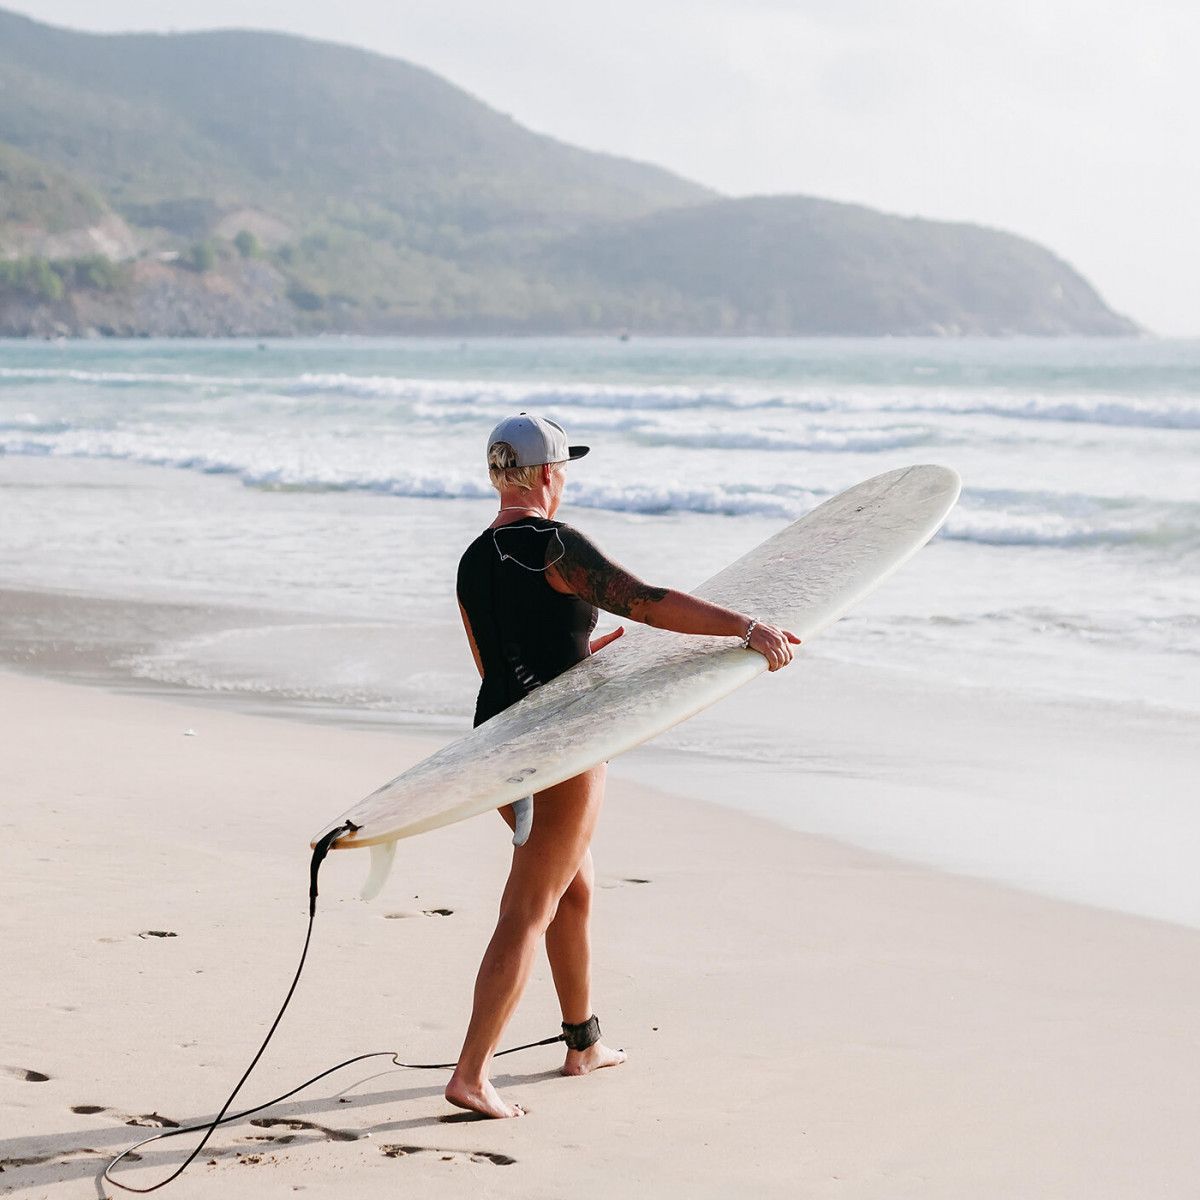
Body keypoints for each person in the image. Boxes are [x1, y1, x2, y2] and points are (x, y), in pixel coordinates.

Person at [448, 413, 801, 1119]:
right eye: (564, 468)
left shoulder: (473, 558)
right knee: (528, 907)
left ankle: (582, 1043)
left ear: (497, 473)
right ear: (549, 474)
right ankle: (471, 1073)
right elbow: (648, 602)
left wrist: (578, 661)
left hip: (497, 740)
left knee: (569, 892)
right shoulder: (553, 545)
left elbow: (493, 666)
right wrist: (745, 627)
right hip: (560, 746)